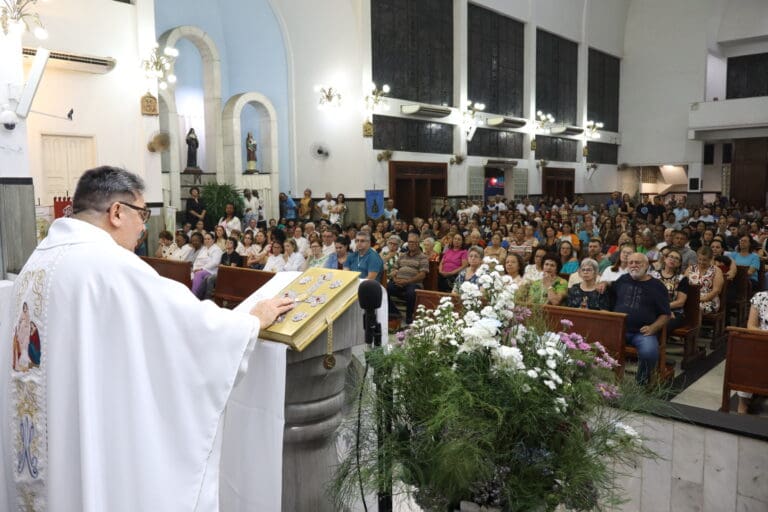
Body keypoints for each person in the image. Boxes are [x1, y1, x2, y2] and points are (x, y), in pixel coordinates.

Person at [0, 166, 294, 511]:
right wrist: (249, 321)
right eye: (142, 214)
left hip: (46, 441)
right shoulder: (108, 264)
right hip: (84, 437)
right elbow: (186, 327)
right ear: (116, 212)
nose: (144, 226)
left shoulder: (39, 260)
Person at [611, 253, 671, 385]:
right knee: (597, 343)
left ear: (647, 265)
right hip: (619, 330)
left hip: (643, 332)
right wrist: (603, 283)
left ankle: (641, 383)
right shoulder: (622, 279)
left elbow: (666, 314)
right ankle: (608, 382)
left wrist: (653, 327)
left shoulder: (657, 286)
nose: (634, 265)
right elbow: (610, 297)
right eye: (631, 262)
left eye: (638, 262)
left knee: (649, 353)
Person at [387, 232, 429, 325]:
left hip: (413, 283)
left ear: (418, 244)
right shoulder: (403, 255)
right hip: (398, 282)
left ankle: (409, 318)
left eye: (414, 242)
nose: (411, 244)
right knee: (384, 289)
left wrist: (407, 281)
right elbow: (394, 268)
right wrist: (394, 278)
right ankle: (395, 313)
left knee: (411, 292)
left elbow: (422, 275)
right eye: (409, 242)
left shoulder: (423, 257)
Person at [739, 290, 768, 413]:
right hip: (761, 343)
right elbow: (751, 326)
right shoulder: (761, 297)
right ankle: (743, 405)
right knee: (747, 357)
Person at [649, 249, 689, 331]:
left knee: (662, 325)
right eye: (671, 257)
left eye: (676, 258)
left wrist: (664, 308)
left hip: (674, 312)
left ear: (679, 263)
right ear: (665, 259)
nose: (673, 259)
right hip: (654, 309)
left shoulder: (682, 279)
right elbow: (647, 294)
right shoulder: (653, 275)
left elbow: (680, 302)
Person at [685, 246, 724, 315]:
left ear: (710, 259)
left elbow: (717, 290)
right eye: (699, 259)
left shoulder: (716, 270)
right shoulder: (690, 269)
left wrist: (702, 299)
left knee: (694, 307)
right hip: (691, 299)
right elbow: (683, 286)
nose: (701, 262)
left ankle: (695, 325)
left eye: (704, 260)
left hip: (709, 300)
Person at [191, 232, 224, 299]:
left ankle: (194, 297)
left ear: (213, 240)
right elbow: (197, 260)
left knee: (198, 274)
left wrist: (201, 268)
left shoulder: (217, 249)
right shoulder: (203, 248)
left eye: (208, 239)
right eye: (205, 239)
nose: (206, 241)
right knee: (189, 273)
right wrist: (195, 268)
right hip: (200, 269)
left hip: (211, 271)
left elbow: (215, 262)